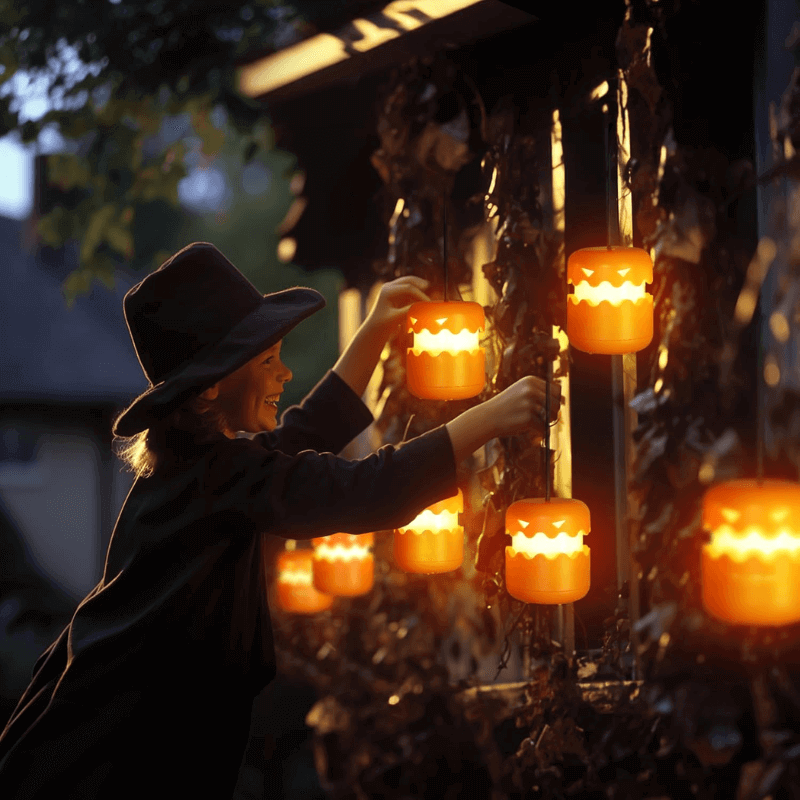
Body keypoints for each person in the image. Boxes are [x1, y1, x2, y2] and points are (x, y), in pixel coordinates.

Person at [0, 242, 560, 799]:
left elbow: (300, 438)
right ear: (213, 386)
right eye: (268, 362)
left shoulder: (198, 470)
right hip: (117, 764)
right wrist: (486, 420)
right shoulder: (216, 477)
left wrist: (370, 336)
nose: (285, 373)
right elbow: (362, 491)